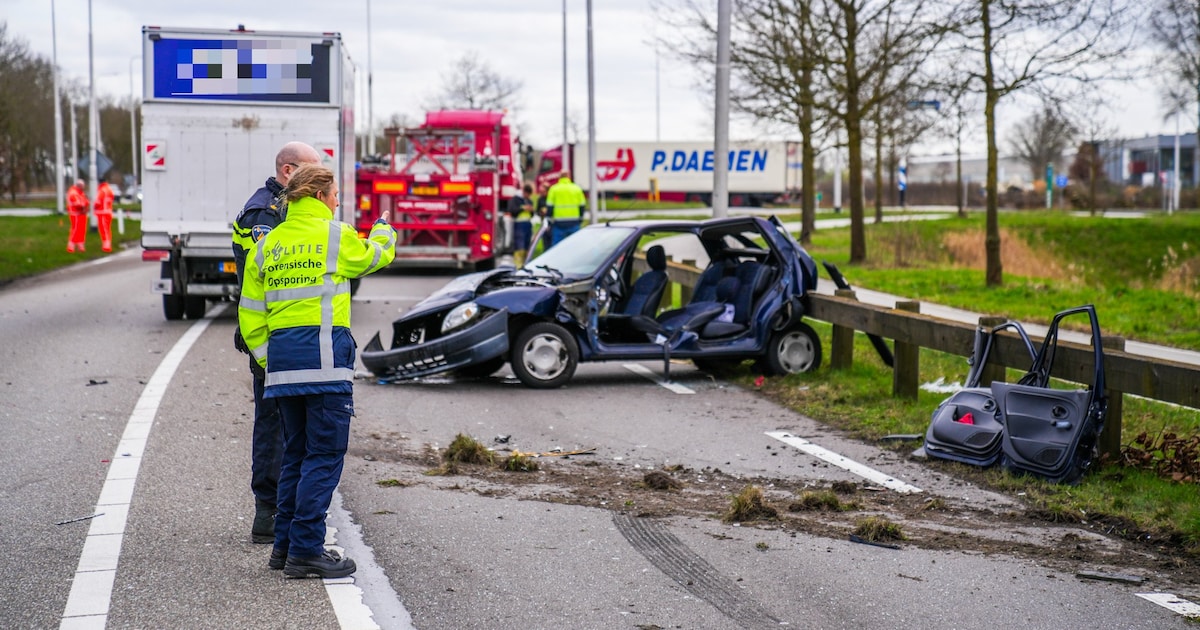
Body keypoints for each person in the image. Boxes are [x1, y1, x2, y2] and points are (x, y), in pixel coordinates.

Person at [238, 163, 396, 578]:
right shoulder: (336, 236)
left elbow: (250, 315)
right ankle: (307, 549)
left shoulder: (267, 245)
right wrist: (383, 229)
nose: (339, 201)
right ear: (322, 195)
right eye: (337, 195)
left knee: (295, 455)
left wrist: (270, 360)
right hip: (325, 362)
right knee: (324, 456)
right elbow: (377, 256)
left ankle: (285, 546)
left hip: (283, 365)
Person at [231, 142, 323, 544]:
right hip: (270, 337)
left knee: (294, 422)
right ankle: (267, 510)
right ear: (288, 170)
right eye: (310, 171)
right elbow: (268, 275)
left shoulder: (287, 208)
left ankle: (289, 507)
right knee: (273, 425)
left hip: (292, 335)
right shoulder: (263, 214)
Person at [545, 171, 586, 246]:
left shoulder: (554, 189)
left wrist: (549, 220)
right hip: (574, 222)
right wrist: (580, 218)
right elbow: (582, 206)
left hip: (558, 223)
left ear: (559, 177)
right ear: (569, 177)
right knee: (575, 246)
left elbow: (550, 207)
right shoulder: (576, 188)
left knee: (556, 247)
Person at [507, 182, 535, 266]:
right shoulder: (516, 199)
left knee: (527, 246)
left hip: (528, 225)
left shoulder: (529, 200)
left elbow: (532, 214)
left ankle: (525, 264)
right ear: (524, 192)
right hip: (519, 225)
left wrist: (531, 210)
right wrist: (523, 208)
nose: (528, 196)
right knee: (519, 246)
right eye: (527, 194)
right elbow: (512, 211)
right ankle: (518, 265)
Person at [66, 179, 89, 253]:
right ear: (79, 185)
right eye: (82, 186)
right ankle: (71, 246)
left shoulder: (80, 193)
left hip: (81, 214)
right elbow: (78, 204)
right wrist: (84, 206)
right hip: (75, 214)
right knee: (75, 230)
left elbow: (86, 201)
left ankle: (80, 245)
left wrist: (85, 206)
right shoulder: (73, 193)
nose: (83, 188)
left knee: (82, 230)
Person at [94, 180, 115, 252]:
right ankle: (108, 243)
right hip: (108, 212)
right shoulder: (109, 189)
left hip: (102, 212)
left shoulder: (102, 190)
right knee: (108, 229)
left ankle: (106, 246)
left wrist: (94, 207)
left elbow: (98, 202)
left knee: (103, 229)